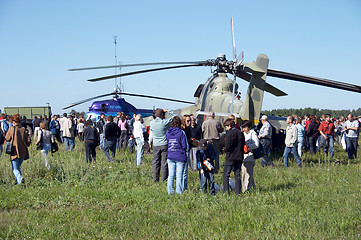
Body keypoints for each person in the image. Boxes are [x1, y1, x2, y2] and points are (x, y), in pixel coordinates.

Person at [150, 109, 175, 182]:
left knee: (155, 163)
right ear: (161, 115)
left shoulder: (152, 123)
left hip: (156, 145)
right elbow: (175, 117)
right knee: (164, 163)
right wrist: (169, 111)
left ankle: (155, 179)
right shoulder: (164, 122)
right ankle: (164, 179)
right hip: (164, 144)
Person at [4, 115, 31, 185]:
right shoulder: (24, 129)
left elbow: (7, 138)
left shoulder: (12, 129)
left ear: (13, 121)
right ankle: (19, 182)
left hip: (14, 150)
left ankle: (20, 179)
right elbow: (28, 142)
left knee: (15, 169)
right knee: (18, 167)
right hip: (23, 151)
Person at [166, 116, 188, 194]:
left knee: (171, 175)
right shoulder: (181, 132)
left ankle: (170, 192)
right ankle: (179, 192)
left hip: (170, 155)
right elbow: (184, 146)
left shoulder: (168, 132)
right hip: (180, 156)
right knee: (179, 175)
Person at [223, 118, 245, 195]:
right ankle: (238, 192)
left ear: (229, 125)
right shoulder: (240, 133)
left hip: (231, 157)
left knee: (226, 175)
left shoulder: (230, 133)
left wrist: (225, 150)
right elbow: (243, 144)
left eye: (226, 127)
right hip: (239, 157)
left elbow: (228, 146)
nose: (226, 128)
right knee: (237, 175)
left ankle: (226, 192)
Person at [241, 121, 259, 193]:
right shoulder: (243, 134)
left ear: (249, 127)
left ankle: (245, 190)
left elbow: (256, 144)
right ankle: (252, 188)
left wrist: (248, 147)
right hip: (244, 156)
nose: (243, 129)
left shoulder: (253, 133)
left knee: (247, 174)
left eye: (245, 128)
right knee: (245, 173)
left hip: (250, 156)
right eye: (243, 128)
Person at [181, 114, 192, 191]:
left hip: (188, 150)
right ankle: (183, 188)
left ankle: (184, 187)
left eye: (190, 120)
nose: (189, 122)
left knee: (185, 171)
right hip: (183, 152)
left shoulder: (188, 129)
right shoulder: (182, 130)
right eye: (188, 121)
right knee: (183, 172)